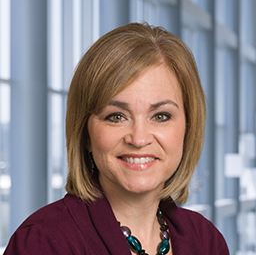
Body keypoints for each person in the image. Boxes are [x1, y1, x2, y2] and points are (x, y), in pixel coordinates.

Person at [4, 22, 229, 255]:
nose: (139, 139)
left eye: (161, 116)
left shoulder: (206, 240)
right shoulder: (44, 242)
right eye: (116, 116)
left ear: (188, 128)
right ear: (86, 134)